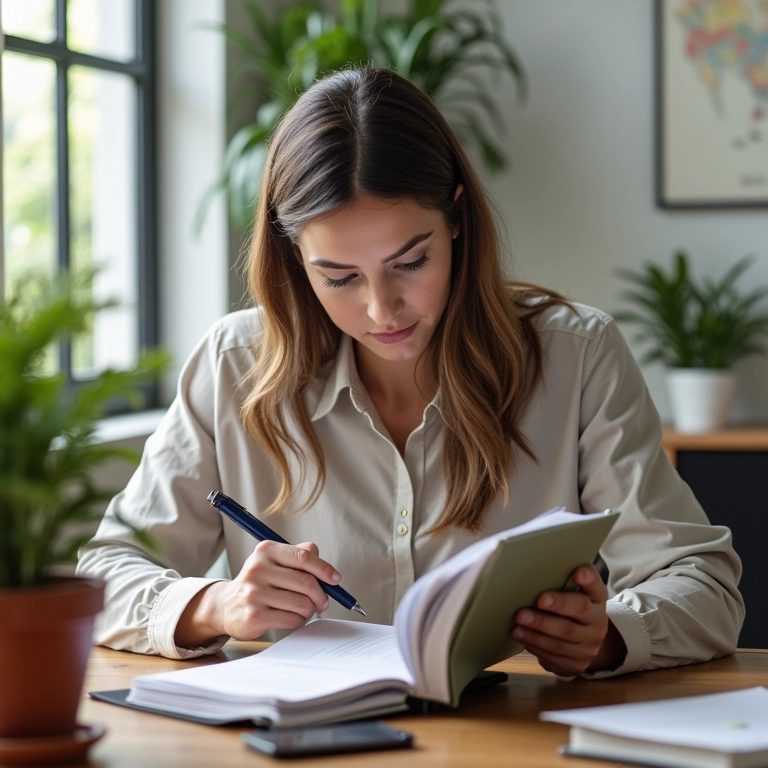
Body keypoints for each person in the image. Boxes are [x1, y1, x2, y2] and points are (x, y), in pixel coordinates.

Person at [77, 67, 743, 678]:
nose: (380, 308)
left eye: (410, 262)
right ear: (294, 259)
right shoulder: (235, 364)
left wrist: (610, 634)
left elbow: (703, 583)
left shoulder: (576, 357)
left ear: (455, 218)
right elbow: (102, 575)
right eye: (338, 277)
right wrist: (217, 605)